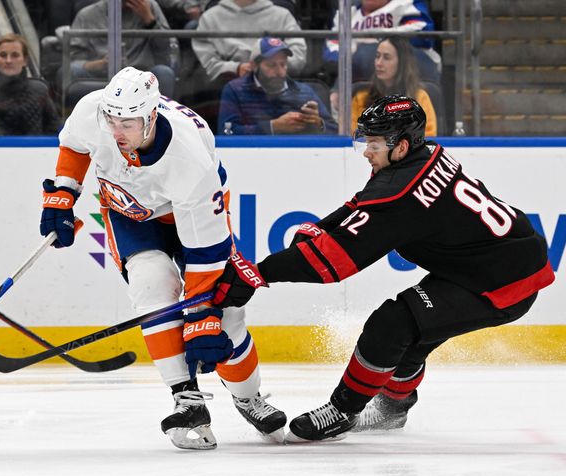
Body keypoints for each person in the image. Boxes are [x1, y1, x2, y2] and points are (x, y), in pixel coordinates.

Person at [212, 94, 555, 442]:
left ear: (401, 146)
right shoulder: (427, 155)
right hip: (495, 262)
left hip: (503, 282)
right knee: (418, 331)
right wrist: (325, 226)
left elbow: (332, 264)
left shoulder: (401, 195)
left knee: (393, 323)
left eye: (373, 143)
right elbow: (364, 200)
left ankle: (343, 410)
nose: (366, 151)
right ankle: (393, 407)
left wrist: (257, 273)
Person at [39, 66, 286, 449]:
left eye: (128, 124)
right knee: (150, 284)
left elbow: (206, 251)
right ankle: (186, 399)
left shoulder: (190, 157)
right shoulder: (94, 110)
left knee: (227, 314)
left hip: (193, 214)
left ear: (151, 116)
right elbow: (75, 146)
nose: (116, 132)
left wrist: (203, 314)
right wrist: (63, 194)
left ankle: (247, 396)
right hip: (131, 213)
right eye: (112, 120)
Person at [218, 37, 337, 135]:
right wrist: (272, 127)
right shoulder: (234, 90)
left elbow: (336, 132)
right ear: (254, 66)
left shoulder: (304, 92)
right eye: (271, 65)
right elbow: (226, 132)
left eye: (283, 64)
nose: (280, 71)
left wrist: (319, 124)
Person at [68, 0, 177, 97]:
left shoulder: (150, 6)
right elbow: (74, 59)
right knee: (72, 70)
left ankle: (158, 118)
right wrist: (100, 64)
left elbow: (167, 47)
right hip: (101, 75)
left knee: (164, 72)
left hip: (141, 76)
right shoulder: (87, 15)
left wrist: (150, 21)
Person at [323, 0, 441, 84]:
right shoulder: (347, 12)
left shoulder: (405, 3)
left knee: (367, 53)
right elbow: (332, 48)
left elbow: (422, 33)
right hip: (358, 74)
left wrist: (380, 39)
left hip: (409, 72)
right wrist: (354, 56)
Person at [192, 0, 307, 83]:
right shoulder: (209, 18)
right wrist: (236, 68)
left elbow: (298, 57)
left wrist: (272, 67)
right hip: (227, 86)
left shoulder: (283, 15)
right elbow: (208, 64)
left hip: (279, 84)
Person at [350, 36, 436, 136]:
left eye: (386, 57)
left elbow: (428, 136)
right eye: (377, 56)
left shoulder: (420, 97)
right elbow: (354, 136)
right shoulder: (361, 97)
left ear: (402, 63)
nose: (379, 63)